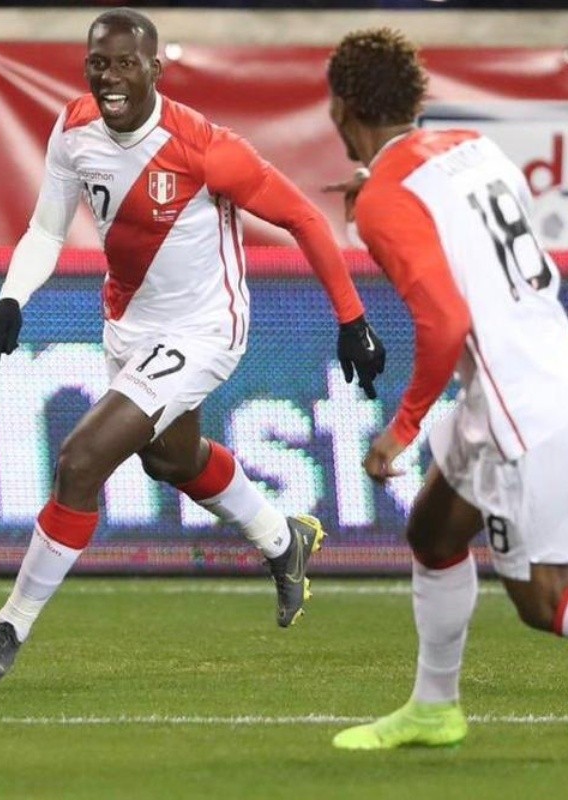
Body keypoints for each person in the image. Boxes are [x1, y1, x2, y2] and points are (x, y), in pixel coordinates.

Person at [0, 7, 385, 687]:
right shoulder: (74, 129)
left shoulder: (205, 147)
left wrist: (352, 317)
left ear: (156, 68)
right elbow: (46, 230)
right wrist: (13, 296)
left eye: (127, 63)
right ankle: (284, 539)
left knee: (81, 460)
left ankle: (9, 625)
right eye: (99, 63)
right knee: (170, 458)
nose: (111, 78)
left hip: (206, 328)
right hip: (129, 325)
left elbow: (303, 216)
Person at [324, 27, 568, 750]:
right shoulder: (473, 146)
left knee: (542, 601)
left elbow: (445, 323)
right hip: (532, 368)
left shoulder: (384, 200)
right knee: (433, 533)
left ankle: (437, 707)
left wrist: (401, 427)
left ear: (341, 107)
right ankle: (435, 709)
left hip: (521, 407)